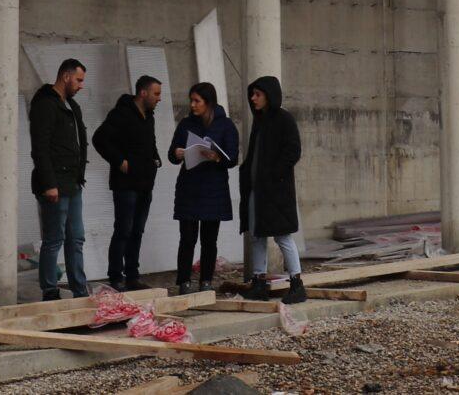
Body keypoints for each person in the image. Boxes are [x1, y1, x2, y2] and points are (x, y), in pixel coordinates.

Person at [91, 74, 163, 290]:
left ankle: (132, 275)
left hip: (145, 182)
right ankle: (116, 276)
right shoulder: (121, 114)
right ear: (143, 93)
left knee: (137, 230)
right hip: (125, 184)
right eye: (156, 93)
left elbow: (149, 141)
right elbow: (99, 139)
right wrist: (120, 161)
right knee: (123, 229)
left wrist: (155, 158)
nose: (159, 98)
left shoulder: (149, 116)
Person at [165, 81, 238, 294]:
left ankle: (206, 280)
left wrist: (216, 156)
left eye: (197, 101)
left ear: (209, 102)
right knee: (187, 238)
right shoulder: (186, 124)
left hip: (213, 189)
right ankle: (184, 281)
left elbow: (232, 158)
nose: (193, 105)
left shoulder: (225, 125)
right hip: (189, 187)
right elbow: (171, 155)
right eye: (191, 100)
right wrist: (177, 153)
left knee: (209, 239)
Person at [240, 75, 306, 303]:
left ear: (269, 95)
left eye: (258, 94)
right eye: (253, 94)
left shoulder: (283, 119)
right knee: (256, 235)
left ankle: (297, 283)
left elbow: (293, 151)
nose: (253, 98)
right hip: (257, 190)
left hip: (275, 191)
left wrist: (273, 175)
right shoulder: (259, 121)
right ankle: (259, 282)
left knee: (282, 236)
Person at [28, 58, 90, 300]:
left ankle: (79, 288)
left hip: (73, 183)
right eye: (79, 80)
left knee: (76, 238)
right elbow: (40, 148)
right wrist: (49, 183)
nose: (81, 85)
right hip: (55, 183)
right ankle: (50, 290)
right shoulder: (46, 104)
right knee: (54, 238)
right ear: (66, 76)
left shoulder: (71, 107)